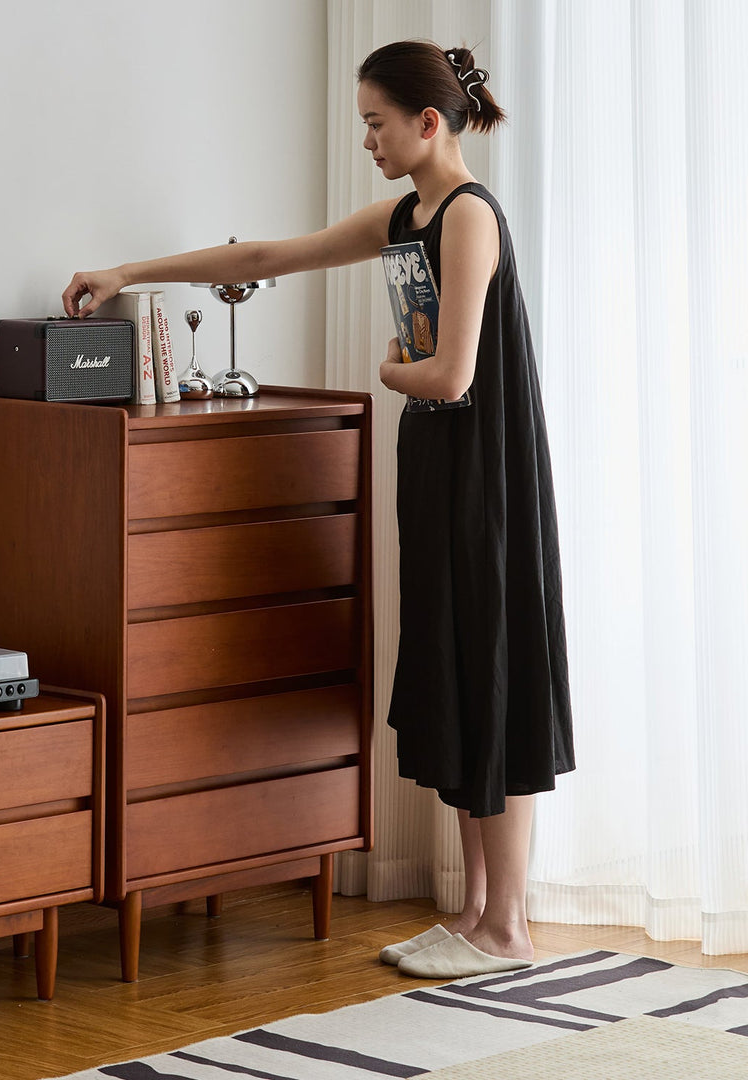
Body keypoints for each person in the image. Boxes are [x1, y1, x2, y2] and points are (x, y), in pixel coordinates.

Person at [61, 40, 574, 980]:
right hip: (438, 469)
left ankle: (507, 927)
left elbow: (450, 375)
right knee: (460, 672)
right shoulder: (406, 215)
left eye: (377, 123)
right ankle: (474, 917)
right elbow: (267, 256)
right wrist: (125, 271)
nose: (367, 141)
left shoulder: (468, 217)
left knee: (492, 670)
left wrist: (387, 369)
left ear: (428, 122)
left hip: (486, 477)